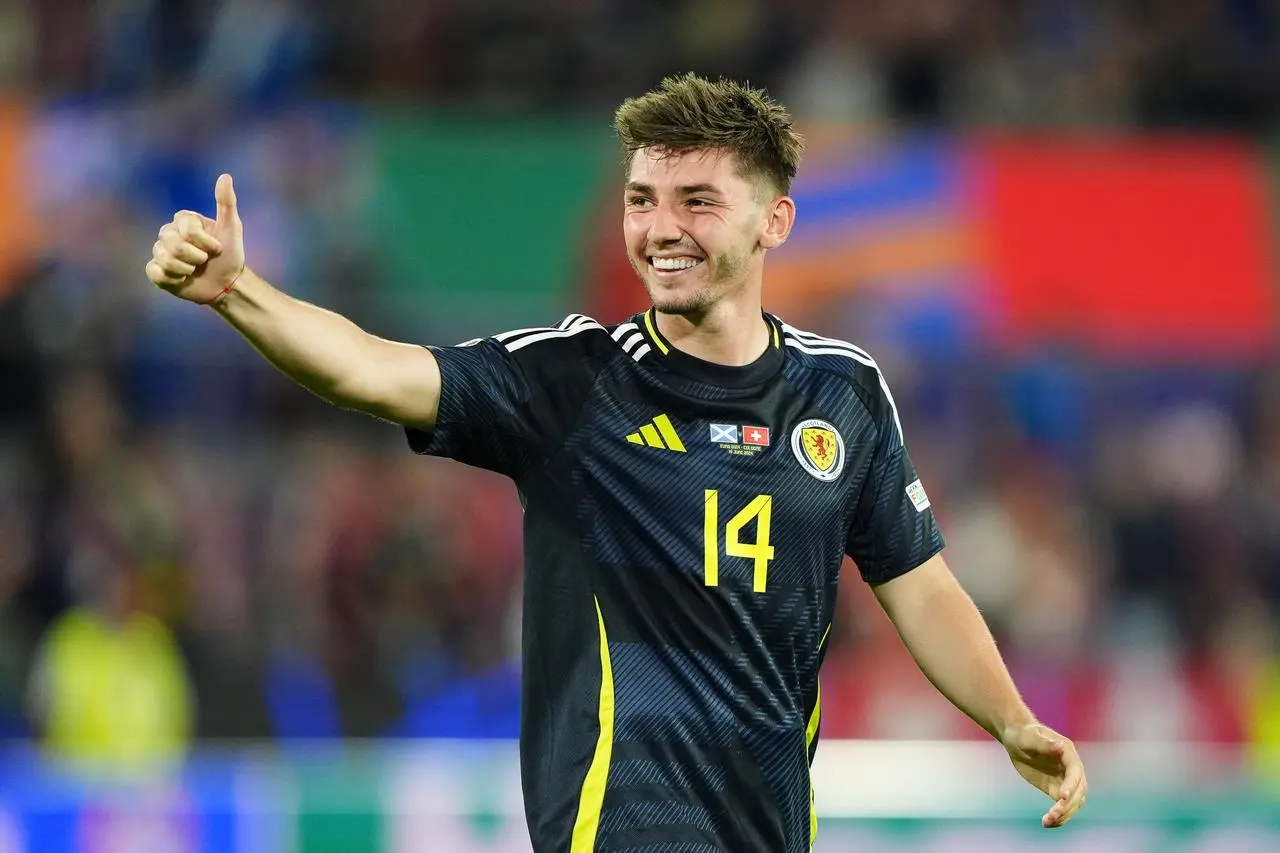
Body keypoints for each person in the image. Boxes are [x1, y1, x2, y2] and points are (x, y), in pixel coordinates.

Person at [145, 73, 1087, 852]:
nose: (659, 227)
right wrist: (240, 292)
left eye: (696, 201)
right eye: (642, 200)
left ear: (775, 221)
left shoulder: (842, 393)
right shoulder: (573, 383)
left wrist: (1010, 718)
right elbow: (371, 369)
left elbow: (918, 585)